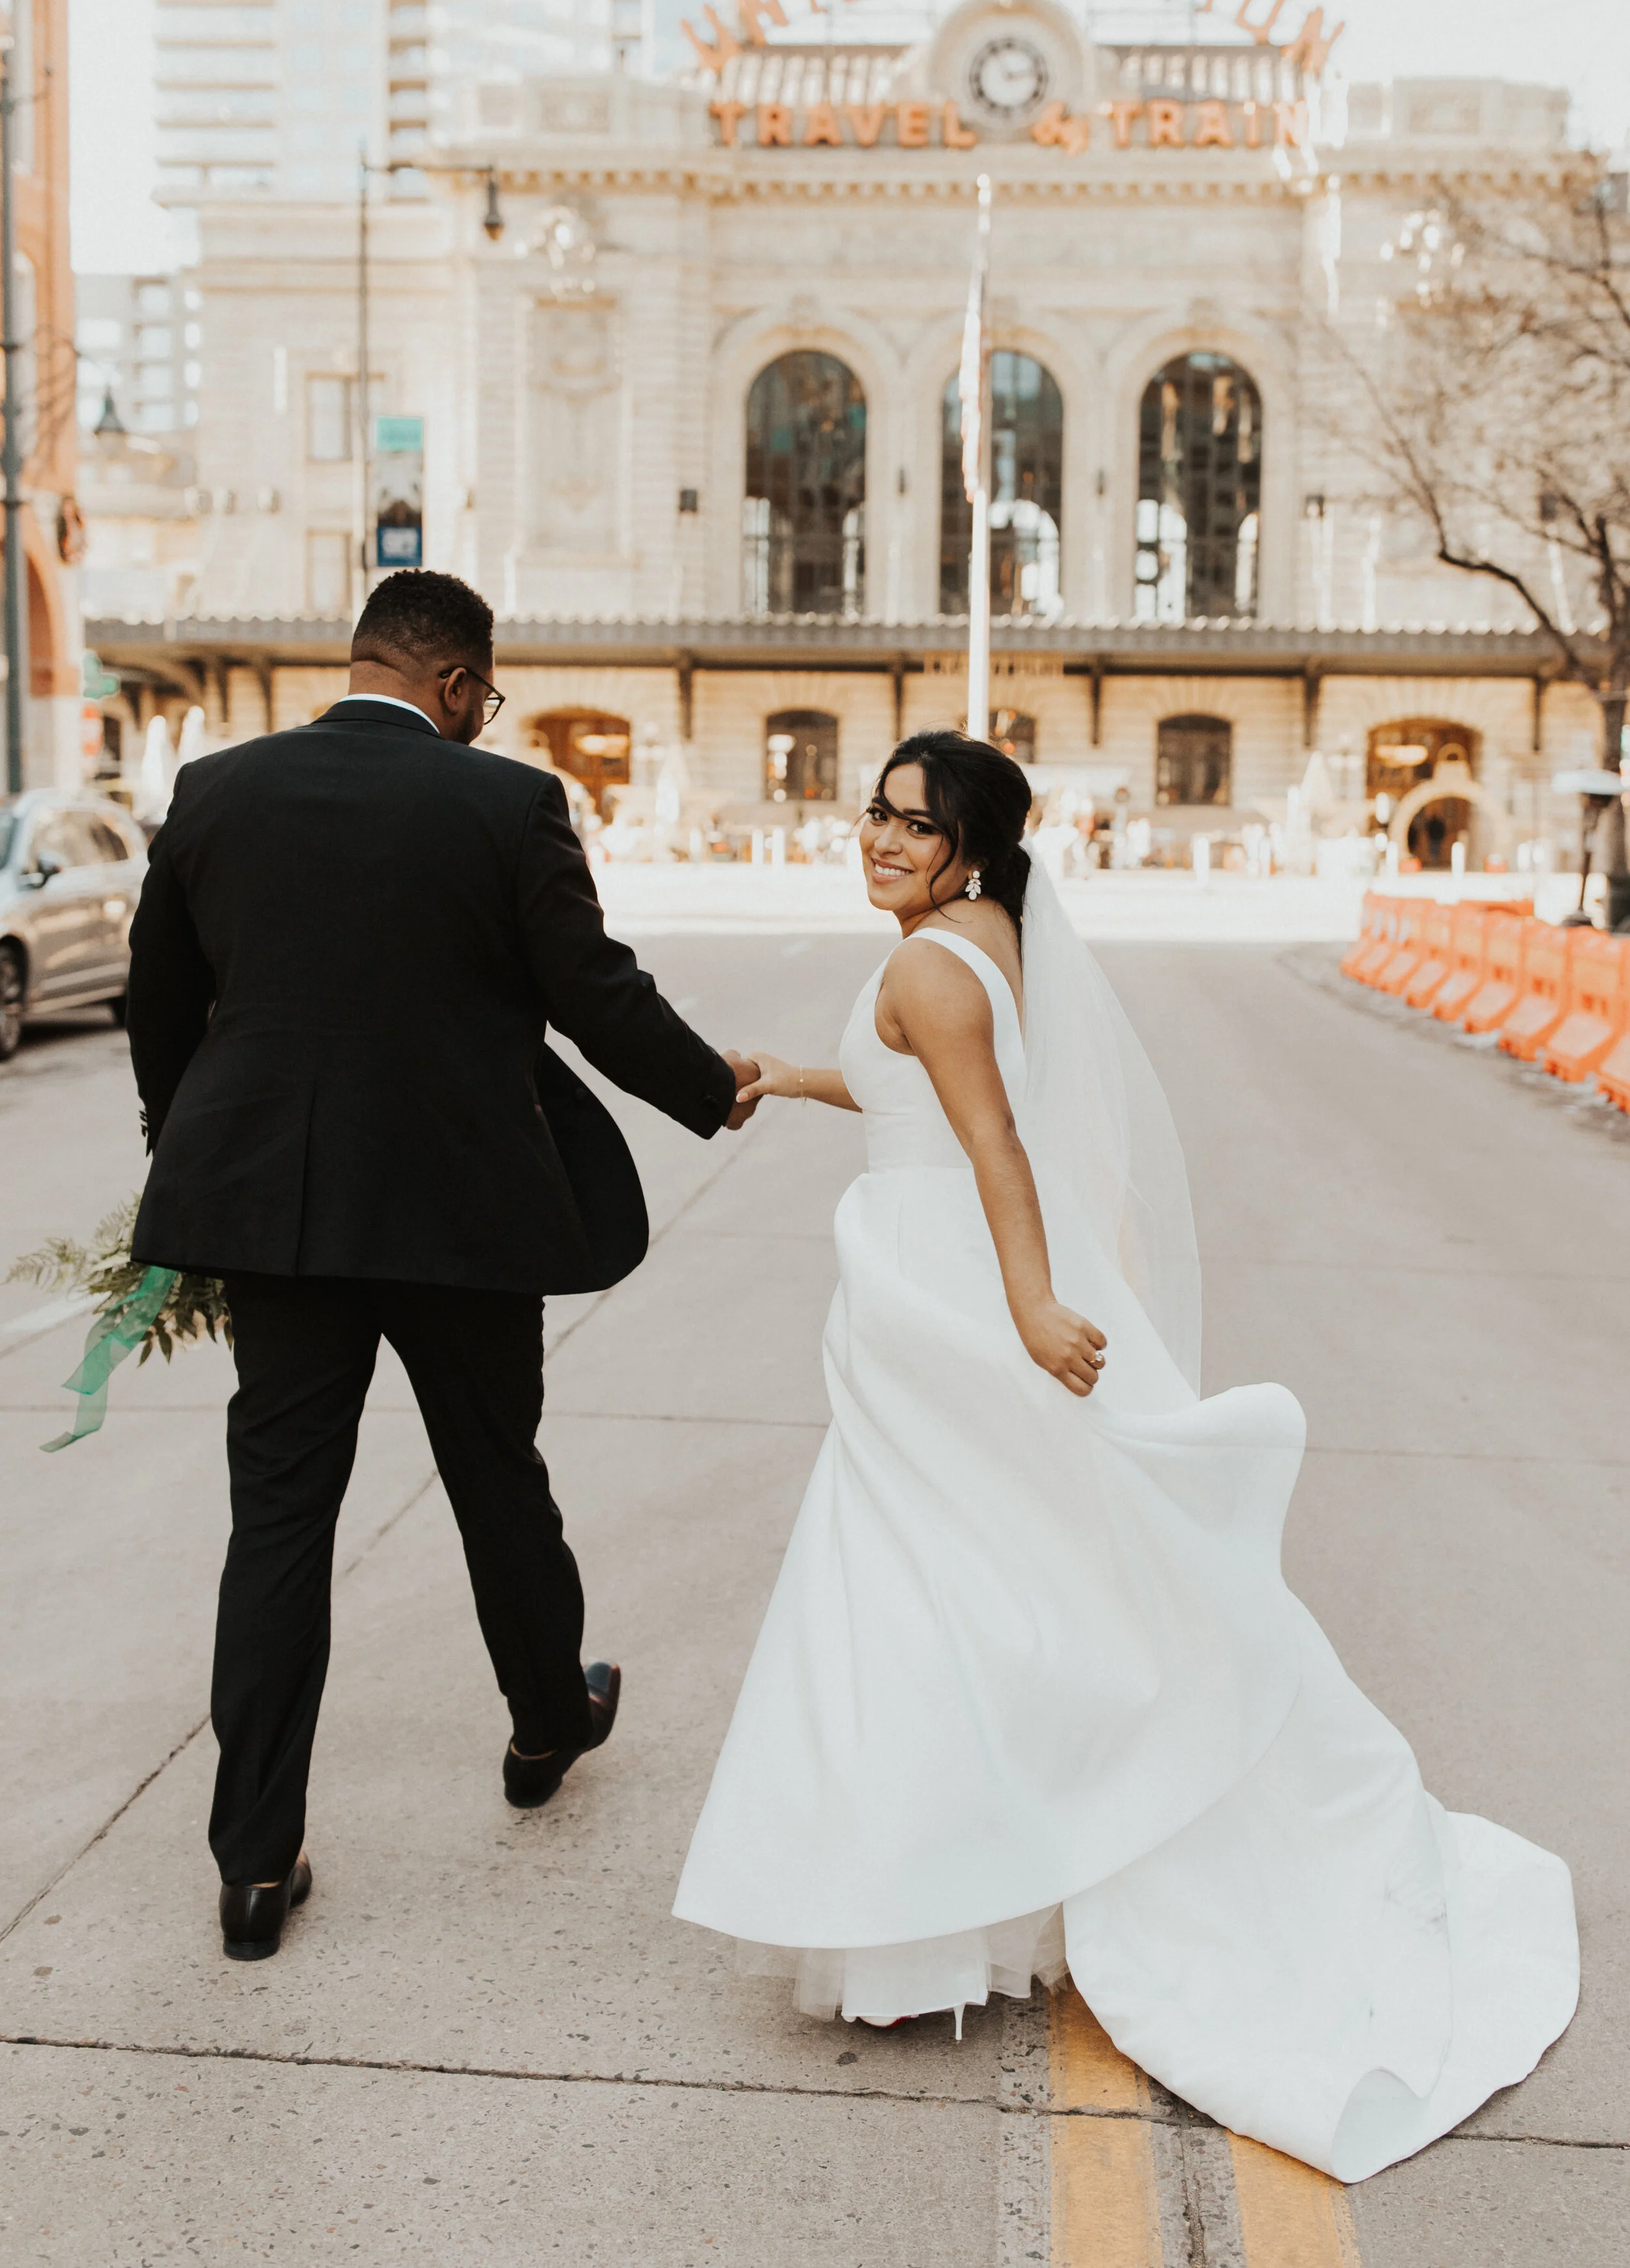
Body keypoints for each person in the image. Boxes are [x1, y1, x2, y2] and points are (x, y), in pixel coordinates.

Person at [674, 728, 1578, 2183]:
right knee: (986, 1575)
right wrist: (788, 1075)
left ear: (965, 846)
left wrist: (1030, 1306)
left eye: (911, 826)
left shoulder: (922, 961)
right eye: (873, 814)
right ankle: (971, 1886)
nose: (878, 840)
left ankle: (924, 1917)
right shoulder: (974, 938)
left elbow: (992, 1147)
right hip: (937, 1275)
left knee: (916, 1585)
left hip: (947, 1290)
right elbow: (909, 1086)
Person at [126, 569, 759, 1964]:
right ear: (462, 686)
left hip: (278, 1223)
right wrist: (711, 1086)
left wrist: (198, 1173)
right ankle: (545, 1721)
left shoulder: (216, 792)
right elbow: (591, 992)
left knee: (279, 1518)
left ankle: (252, 1861)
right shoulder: (504, 804)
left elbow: (161, 1008)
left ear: (360, 661)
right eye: (487, 698)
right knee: (493, 1472)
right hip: (461, 1219)